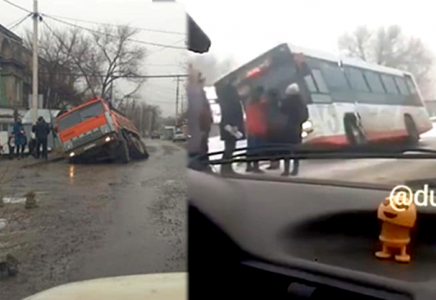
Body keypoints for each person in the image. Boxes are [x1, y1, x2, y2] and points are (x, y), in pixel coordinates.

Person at [279, 83, 308, 176]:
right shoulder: (301, 102)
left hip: (286, 129)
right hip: (297, 128)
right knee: (296, 149)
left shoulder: (285, 102)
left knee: (286, 150)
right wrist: (300, 122)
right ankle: (295, 169)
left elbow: (281, 113)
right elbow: (305, 115)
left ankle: (286, 170)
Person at [187, 66, 212, 172]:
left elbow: (204, 112)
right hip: (198, 134)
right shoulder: (194, 93)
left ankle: (203, 166)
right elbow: (201, 113)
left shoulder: (199, 93)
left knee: (202, 150)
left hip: (201, 131)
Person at [218, 78, 245, 175]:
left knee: (229, 147)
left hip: (228, 126)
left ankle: (226, 167)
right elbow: (234, 113)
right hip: (231, 127)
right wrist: (235, 125)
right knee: (230, 147)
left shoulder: (226, 101)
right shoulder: (232, 102)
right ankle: (226, 168)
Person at [245, 86, 268, 173]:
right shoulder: (260, 104)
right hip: (257, 128)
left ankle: (248, 165)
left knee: (250, 148)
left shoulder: (249, 103)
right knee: (256, 149)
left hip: (250, 128)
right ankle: (256, 167)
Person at [265, 88, 284, 170]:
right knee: (277, 146)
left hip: (272, 127)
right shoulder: (279, 102)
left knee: (272, 146)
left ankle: (274, 163)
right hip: (278, 127)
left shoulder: (270, 104)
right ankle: (276, 163)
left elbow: (268, 115)